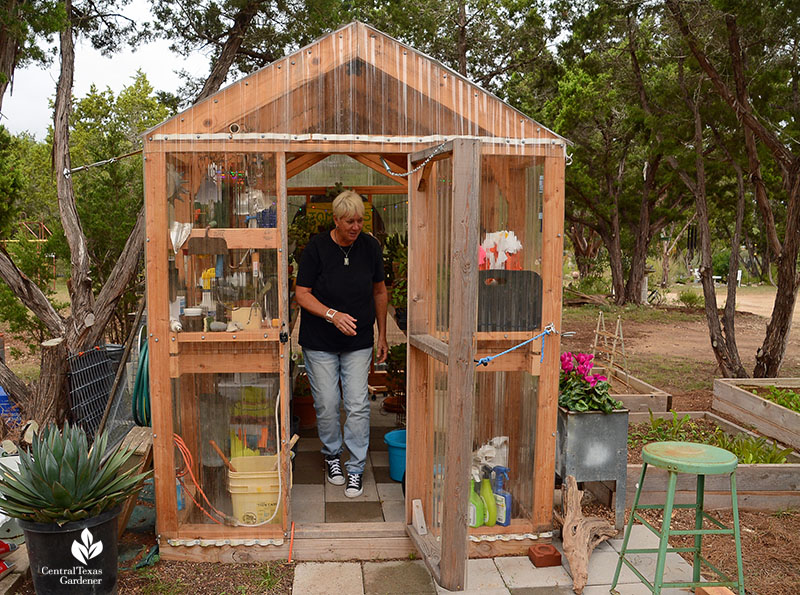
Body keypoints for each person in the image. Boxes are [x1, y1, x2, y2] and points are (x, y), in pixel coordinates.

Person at [295, 190, 388, 498]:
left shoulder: (370, 247)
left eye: (360, 220)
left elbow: (379, 292)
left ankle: (356, 468)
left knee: (358, 404)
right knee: (327, 404)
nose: (355, 226)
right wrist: (332, 315)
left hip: (358, 341)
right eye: (349, 221)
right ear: (335, 219)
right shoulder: (317, 249)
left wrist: (383, 334)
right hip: (319, 341)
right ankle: (333, 456)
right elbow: (302, 294)